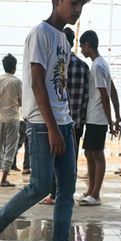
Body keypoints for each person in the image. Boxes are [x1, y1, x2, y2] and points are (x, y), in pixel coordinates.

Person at [0, 0, 95, 241]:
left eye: (81, 5)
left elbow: (60, 84)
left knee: (66, 189)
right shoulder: (40, 34)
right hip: (43, 124)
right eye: (73, 3)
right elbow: (37, 82)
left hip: (63, 121)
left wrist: (64, 122)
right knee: (41, 185)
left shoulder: (62, 39)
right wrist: (53, 128)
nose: (77, 10)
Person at [39, 26, 90, 206]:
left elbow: (55, 92)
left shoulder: (58, 64)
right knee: (70, 161)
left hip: (58, 120)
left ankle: (54, 194)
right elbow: (86, 97)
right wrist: (81, 119)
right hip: (75, 121)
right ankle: (67, 192)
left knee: (53, 160)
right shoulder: (84, 67)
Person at [78, 29, 121, 206]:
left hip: (98, 117)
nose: (81, 50)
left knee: (96, 153)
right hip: (93, 117)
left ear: (88, 45)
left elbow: (105, 95)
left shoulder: (97, 66)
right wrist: (117, 115)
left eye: (82, 47)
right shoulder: (102, 64)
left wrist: (111, 120)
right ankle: (91, 190)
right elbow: (113, 90)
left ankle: (95, 194)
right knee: (89, 152)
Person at [0, 54, 23, 187]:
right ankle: (4, 179)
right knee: (10, 148)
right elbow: (21, 101)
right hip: (12, 118)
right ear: (14, 67)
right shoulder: (16, 82)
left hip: (0, 118)